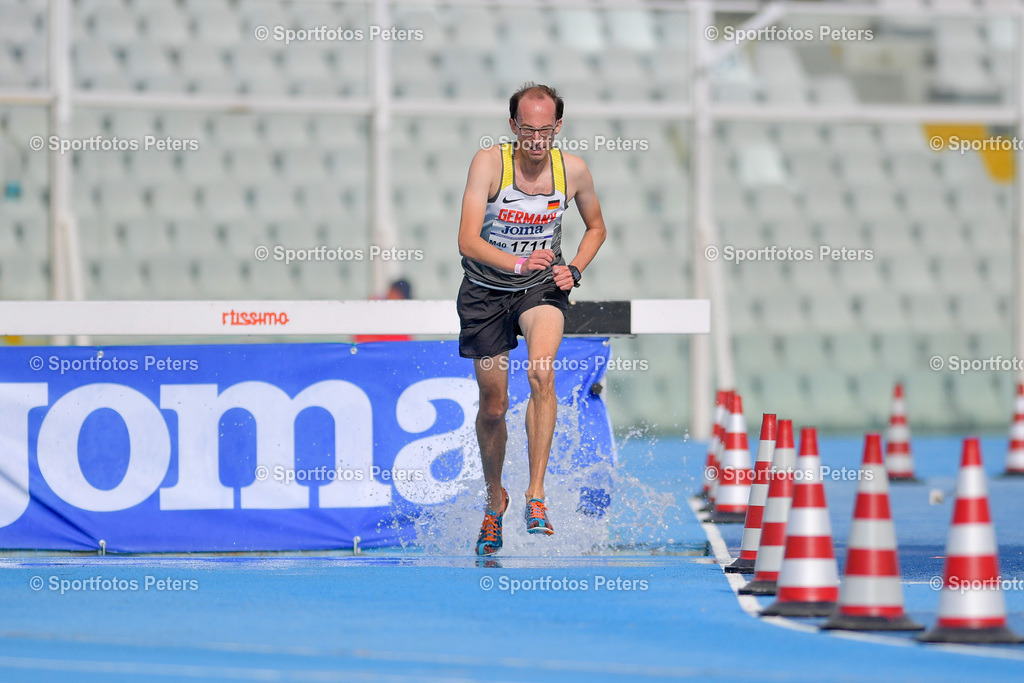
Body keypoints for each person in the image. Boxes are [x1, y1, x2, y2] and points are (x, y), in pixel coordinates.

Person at [456, 83, 607, 555]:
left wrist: (575, 267)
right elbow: (466, 240)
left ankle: (535, 494)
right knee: (494, 406)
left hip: (540, 290)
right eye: (528, 130)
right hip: (485, 291)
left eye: (546, 130)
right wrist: (516, 262)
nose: (537, 140)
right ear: (513, 126)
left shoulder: (573, 171)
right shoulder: (489, 163)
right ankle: (493, 496)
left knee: (543, 372)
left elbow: (597, 227)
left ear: (558, 126)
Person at [353, 278, 413, 343]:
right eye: (394, 293)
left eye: (399, 296)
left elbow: (405, 341)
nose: (394, 296)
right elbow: (361, 336)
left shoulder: (402, 315)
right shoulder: (374, 305)